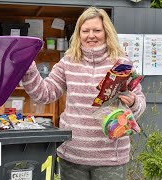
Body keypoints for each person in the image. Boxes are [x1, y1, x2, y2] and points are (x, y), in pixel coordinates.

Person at [21, 7, 146, 180]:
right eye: (85, 31)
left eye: (97, 30)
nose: (91, 35)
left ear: (107, 32)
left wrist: (132, 102)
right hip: (73, 154)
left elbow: (139, 103)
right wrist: (29, 70)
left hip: (111, 157)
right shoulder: (68, 62)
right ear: (79, 34)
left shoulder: (122, 63)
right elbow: (45, 94)